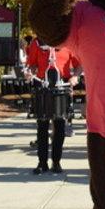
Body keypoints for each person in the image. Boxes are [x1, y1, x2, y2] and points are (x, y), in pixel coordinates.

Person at [26, 37, 80, 174]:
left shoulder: (68, 42)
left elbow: (79, 65)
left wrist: (76, 77)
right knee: (42, 126)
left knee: (60, 126)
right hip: (42, 86)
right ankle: (42, 163)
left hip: (62, 86)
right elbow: (32, 65)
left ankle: (56, 162)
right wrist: (29, 73)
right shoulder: (37, 43)